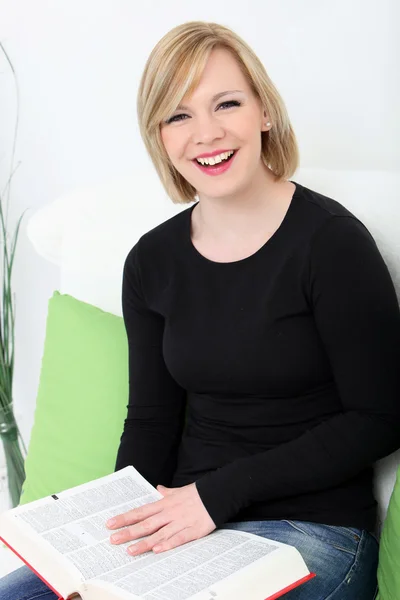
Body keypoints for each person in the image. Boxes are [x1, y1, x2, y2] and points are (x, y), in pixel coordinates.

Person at [2, 20, 399, 600]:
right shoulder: (151, 261)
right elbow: (151, 421)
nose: (206, 134)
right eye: (178, 115)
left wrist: (217, 495)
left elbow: (381, 416)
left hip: (312, 531)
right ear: (159, 137)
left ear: (265, 112)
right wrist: (115, 528)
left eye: (227, 104)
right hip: (187, 524)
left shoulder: (332, 244)